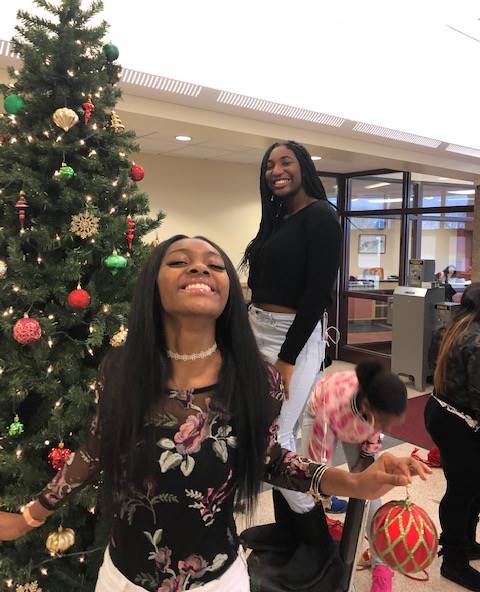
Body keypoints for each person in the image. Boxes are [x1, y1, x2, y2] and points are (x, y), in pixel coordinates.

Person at [0, 236, 429, 592]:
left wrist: (353, 482)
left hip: (217, 580)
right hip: (125, 578)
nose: (200, 269)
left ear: (228, 291)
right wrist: (28, 517)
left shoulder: (258, 381)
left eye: (215, 265)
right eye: (179, 261)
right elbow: (95, 449)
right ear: (153, 285)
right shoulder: (120, 369)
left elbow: (272, 461)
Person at [242, 140, 344, 514]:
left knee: (274, 438)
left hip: (294, 337)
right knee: (270, 426)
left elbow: (317, 296)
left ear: (303, 167)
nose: (276, 170)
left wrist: (286, 358)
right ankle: (290, 528)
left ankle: (311, 520)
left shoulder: (322, 217)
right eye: (269, 165)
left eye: (286, 161)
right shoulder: (277, 218)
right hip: (256, 328)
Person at [305, 362, 407, 592]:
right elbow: (317, 467)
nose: (388, 428)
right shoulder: (332, 407)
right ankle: (317, 552)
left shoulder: (378, 407)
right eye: (384, 423)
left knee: (371, 493)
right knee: (307, 489)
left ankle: (381, 564)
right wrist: (325, 494)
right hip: (323, 415)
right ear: (367, 406)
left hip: (358, 424)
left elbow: (371, 448)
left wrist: (365, 473)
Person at [425, 282, 480, 592]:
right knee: (464, 489)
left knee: (470, 486)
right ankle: (454, 561)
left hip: (441, 411)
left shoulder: (453, 327)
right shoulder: (477, 340)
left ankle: (466, 543)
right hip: (458, 421)